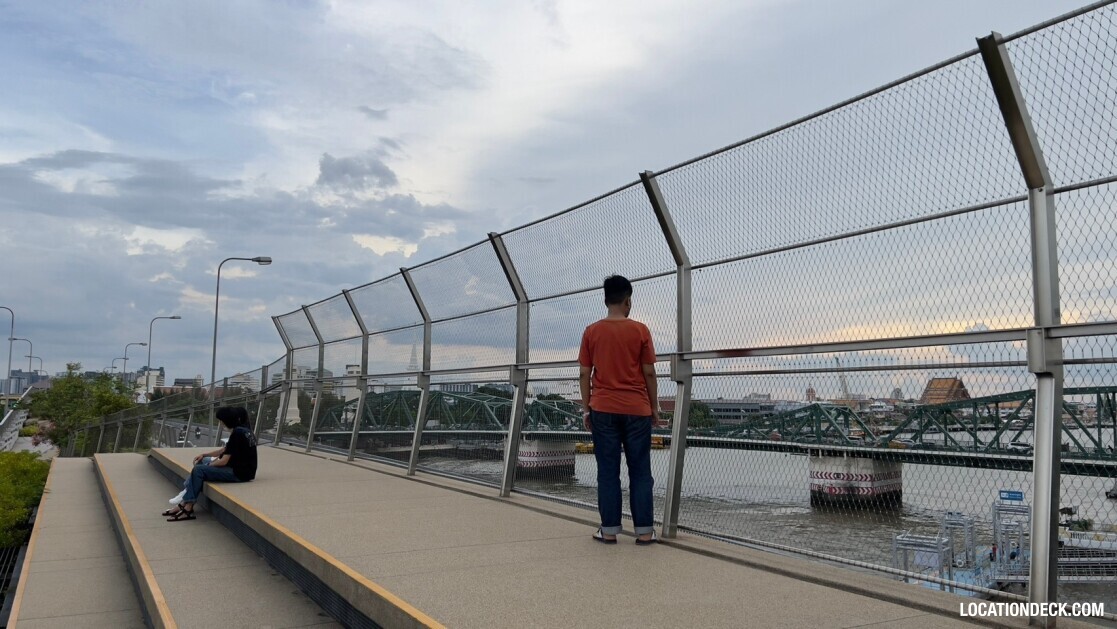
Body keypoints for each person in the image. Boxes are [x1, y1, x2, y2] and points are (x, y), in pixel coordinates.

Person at [579, 275, 658, 545]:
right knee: (640, 471)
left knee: (608, 471)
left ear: (605, 300)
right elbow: (649, 372)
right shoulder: (640, 331)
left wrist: (587, 409)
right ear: (628, 300)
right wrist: (654, 408)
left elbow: (584, 373)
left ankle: (609, 530)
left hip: (602, 407)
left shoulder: (591, 331)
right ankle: (645, 532)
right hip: (637, 408)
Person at [164, 406, 257, 521]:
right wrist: (205, 455)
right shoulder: (244, 431)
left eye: (221, 421)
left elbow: (223, 461)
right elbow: (224, 450)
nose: (221, 423)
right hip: (242, 469)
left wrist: (207, 466)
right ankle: (185, 499)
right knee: (202, 461)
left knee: (199, 470)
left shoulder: (237, 433)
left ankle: (187, 505)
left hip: (239, 473)